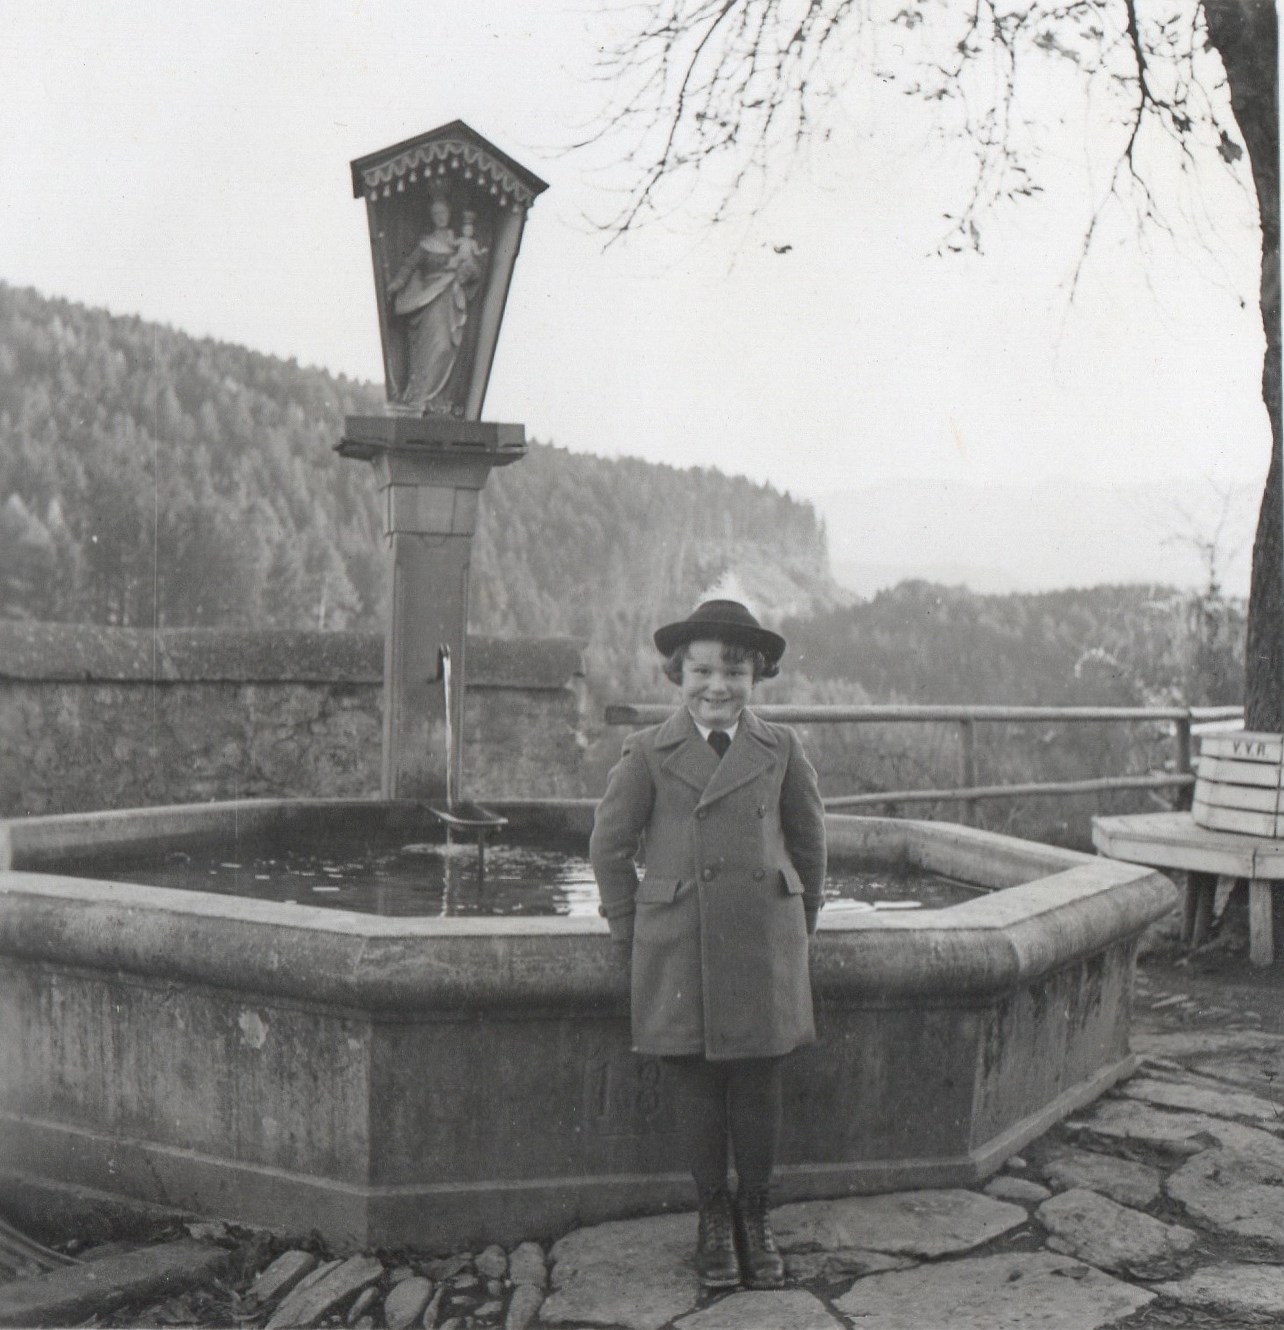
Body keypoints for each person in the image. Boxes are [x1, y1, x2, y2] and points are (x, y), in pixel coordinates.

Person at [590, 596, 827, 1291]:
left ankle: (756, 1216)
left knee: (759, 1084)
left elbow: (810, 844)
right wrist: (632, 929)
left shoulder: (781, 749)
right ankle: (713, 1218)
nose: (717, 687)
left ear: (756, 677)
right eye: (701, 671)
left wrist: (800, 925)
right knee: (694, 1085)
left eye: (733, 672)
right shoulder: (649, 751)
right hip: (680, 943)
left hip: (763, 941)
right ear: (678, 673)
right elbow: (608, 847)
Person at [385, 198, 483, 410]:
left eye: (443, 212)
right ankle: (420, 397)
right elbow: (409, 265)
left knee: (446, 347)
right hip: (428, 300)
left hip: (450, 298)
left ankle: (437, 398)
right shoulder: (427, 244)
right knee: (432, 348)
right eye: (436, 213)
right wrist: (397, 283)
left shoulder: (458, 243)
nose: (440, 217)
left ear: (449, 213)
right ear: (432, 217)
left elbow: (473, 268)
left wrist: (468, 269)